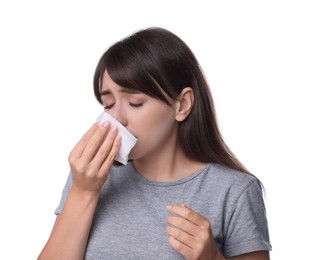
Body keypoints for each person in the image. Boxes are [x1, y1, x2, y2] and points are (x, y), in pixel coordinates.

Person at [38, 27, 271, 260]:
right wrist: (83, 191)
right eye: (108, 104)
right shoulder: (90, 178)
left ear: (181, 105)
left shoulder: (234, 192)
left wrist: (212, 258)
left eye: (135, 103)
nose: (116, 119)